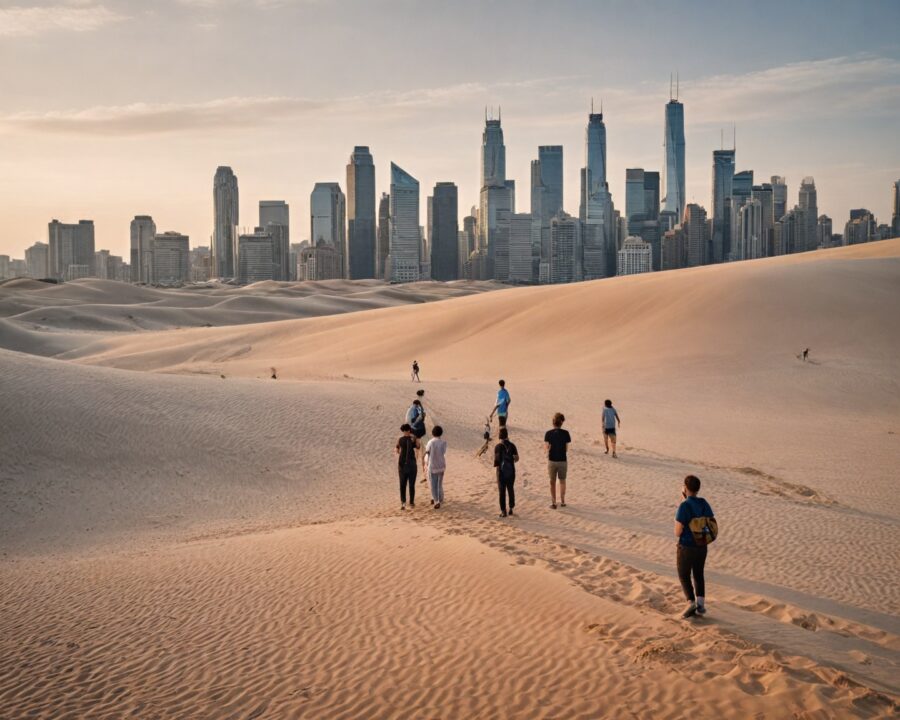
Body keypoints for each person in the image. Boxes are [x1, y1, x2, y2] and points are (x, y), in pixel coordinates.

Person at [674, 474, 717, 618]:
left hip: (686, 546)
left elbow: (677, 531)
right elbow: (711, 521)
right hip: (702, 545)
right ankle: (701, 604)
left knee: (684, 575)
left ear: (685, 488)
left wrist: (684, 500)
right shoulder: (704, 502)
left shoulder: (684, 506)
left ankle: (690, 601)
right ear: (698, 489)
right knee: (699, 574)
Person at [544, 412, 571, 509]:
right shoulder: (566, 433)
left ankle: (554, 502)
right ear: (561, 423)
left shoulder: (548, 433)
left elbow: (547, 448)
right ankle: (563, 501)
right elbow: (566, 448)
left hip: (552, 460)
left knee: (552, 481)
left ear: (553, 422)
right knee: (562, 481)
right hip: (563, 460)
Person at [493, 428, 519, 518]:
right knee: (510, 489)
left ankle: (503, 511)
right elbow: (517, 458)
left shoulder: (497, 447)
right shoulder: (512, 445)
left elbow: (496, 462)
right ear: (507, 435)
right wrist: (510, 460)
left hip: (501, 473)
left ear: (500, 436)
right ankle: (511, 508)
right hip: (511, 471)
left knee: (502, 491)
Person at [395, 424, 420, 510]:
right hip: (412, 464)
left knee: (402, 484)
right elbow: (418, 446)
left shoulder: (400, 439)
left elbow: (397, 450)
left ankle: (403, 503)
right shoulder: (413, 438)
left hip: (401, 464)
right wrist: (416, 438)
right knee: (411, 485)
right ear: (409, 430)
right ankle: (411, 502)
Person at [423, 425, 448, 509]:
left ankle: (436, 500)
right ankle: (440, 498)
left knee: (433, 484)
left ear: (433, 433)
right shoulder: (444, 442)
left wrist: (425, 462)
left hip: (432, 466)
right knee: (439, 484)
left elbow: (427, 452)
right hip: (441, 465)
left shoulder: (431, 442)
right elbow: (444, 452)